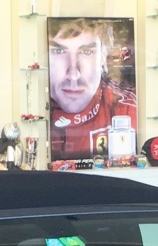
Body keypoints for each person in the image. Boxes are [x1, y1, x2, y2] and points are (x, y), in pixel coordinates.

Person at [47, 17, 137, 162]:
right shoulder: (36, 109)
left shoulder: (127, 109)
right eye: (58, 51)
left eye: (87, 52)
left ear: (103, 57)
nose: (73, 74)